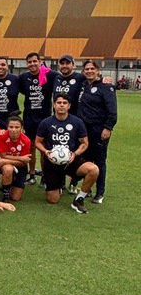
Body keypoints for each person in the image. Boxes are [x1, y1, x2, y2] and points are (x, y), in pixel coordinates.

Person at [35, 93, 99, 214]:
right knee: (52, 200)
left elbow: (84, 143)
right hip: (52, 162)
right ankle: (57, 185)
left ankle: (79, 199)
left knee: (93, 169)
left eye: (64, 103)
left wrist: (75, 154)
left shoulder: (77, 122)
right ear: (54, 105)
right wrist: (46, 151)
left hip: (71, 160)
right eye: (59, 103)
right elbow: (38, 142)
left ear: (69, 106)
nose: (61, 105)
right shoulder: (46, 122)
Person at [77, 60, 117, 204]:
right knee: (86, 160)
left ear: (98, 70)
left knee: (99, 161)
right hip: (84, 130)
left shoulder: (106, 87)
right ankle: (87, 189)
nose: (89, 71)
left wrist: (108, 127)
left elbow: (112, 111)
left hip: (99, 130)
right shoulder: (83, 85)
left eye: (92, 69)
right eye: (86, 69)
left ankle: (100, 193)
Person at [19, 52, 58, 185]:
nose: (32, 64)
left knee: (44, 149)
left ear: (40, 61)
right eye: (29, 62)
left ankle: (45, 177)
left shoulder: (51, 75)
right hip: (29, 117)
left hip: (45, 118)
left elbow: (66, 79)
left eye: (35, 61)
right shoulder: (24, 77)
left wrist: (103, 79)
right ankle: (31, 175)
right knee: (30, 148)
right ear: (27, 64)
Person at [0, 115, 32, 202]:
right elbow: (3, 155)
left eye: (17, 127)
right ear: (7, 127)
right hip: (5, 164)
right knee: (8, 169)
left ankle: (9, 183)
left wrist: (6, 161)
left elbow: (23, 162)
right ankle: (5, 196)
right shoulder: (2, 136)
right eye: (11, 127)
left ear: (21, 128)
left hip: (20, 166)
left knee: (15, 198)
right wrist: (20, 158)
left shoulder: (26, 140)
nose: (14, 130)